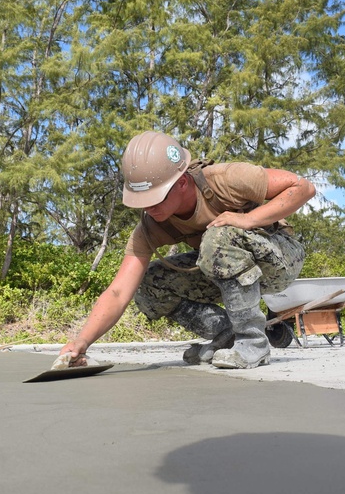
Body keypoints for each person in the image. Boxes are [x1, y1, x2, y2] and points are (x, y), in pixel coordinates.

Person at [57, 131, 315, 370]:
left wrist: (249, 219)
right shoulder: (152, 225)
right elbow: (117, 291)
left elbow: (303, 187)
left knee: (218, 235)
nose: (149, 208)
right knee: (149, 284)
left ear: (182, 182)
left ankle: (253, 343)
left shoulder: (225, 179)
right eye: (142, 201)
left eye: (155, 197)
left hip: (280, 258)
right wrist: (81, 342)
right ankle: (228, 334)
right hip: (227, 269)